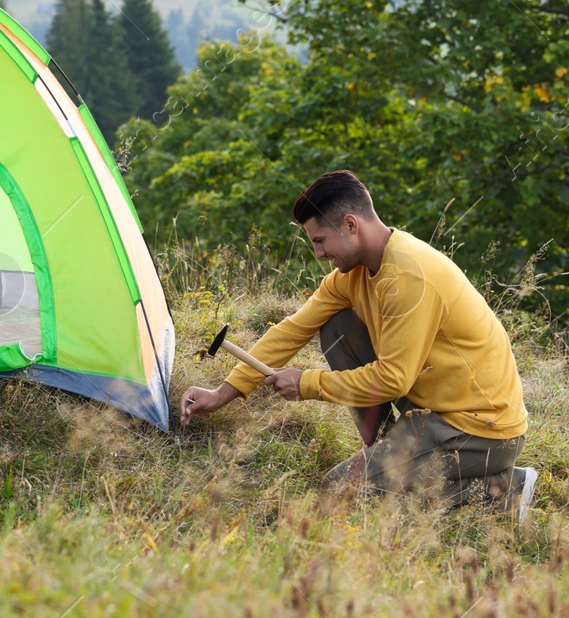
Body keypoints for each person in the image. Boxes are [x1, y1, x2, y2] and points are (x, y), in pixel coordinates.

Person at [180, 170, 538, 523]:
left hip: (480, 430)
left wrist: (307, 383)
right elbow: (293, 329)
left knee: (343, 493)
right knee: (337, 325)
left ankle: (504, 490)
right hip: (433, 407)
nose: (318, 253)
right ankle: (384, 451)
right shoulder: (350, 276)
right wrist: (222, 393)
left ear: (351, 225)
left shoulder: (408, 277)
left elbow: (394, 379)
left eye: (320, 240)